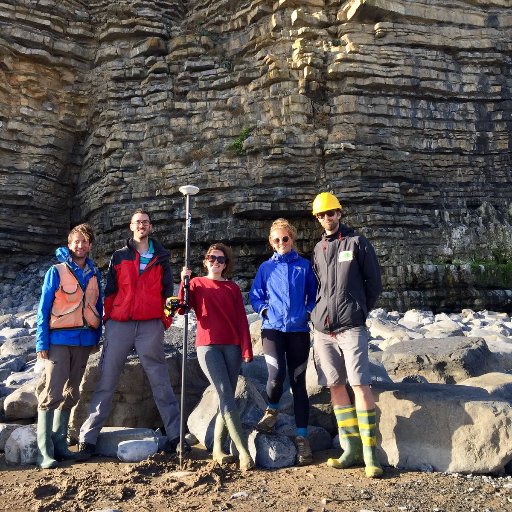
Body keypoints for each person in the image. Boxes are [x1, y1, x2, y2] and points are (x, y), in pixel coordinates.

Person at [77, 209, 184, 460]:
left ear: (151, 227)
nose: (141, 226)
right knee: (106, 381)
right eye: (138, 222)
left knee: (160, 381)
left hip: (150, 325)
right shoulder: (120, 256)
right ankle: (87, 438)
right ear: (131, 226)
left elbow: (167, 293)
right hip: (120, 325)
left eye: (145, 222)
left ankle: (176, 436)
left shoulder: (161, 256)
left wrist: (164, 320)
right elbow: (111, 291)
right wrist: (109, 320)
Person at [310, 192, 384, 478]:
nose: (327, 218)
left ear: (339, 214)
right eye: (321, 215)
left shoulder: (357, 243)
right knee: (335, 386)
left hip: (351, 325)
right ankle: (350, 449)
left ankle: (370, 453)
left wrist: (359, 311)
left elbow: (374, 283)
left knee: (360, 385)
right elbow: (319, 286)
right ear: (317, 219)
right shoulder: (318, 248)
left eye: (331, 213)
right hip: (323, 329)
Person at [180, 243, 254, 471]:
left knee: (227, 396)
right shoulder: (196, 284)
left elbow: (242, 319)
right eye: (212, 258)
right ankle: (243, 452)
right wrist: (183, 282)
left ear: (226, 264)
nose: (216, 262)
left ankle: (217, 449)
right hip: (207, 346)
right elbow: (182, 308)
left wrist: (246, 348)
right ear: (205, 261)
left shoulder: (232, 288)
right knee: (225, 394)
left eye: (221, 260)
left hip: (231, 346)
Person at [249, 218, 317, 466]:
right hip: (272, 330)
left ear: (292, 239)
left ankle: (302, 438)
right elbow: (256, 295)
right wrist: (265, 311)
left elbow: (315, 294)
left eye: (285, 239)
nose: (281, 243)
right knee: (276, 376)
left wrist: (308, 312)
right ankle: (272, 409)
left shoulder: (305, 266)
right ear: (271, 242)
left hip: (299, 330)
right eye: (276, 240)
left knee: (299, 383)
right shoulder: (265, 268)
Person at [35, 223, 103, 469]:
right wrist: (41, 341)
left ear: (90, 245)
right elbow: (43, 308)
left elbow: (98, 306)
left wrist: (96, 337)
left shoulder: (94, 273)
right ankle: (44, 451)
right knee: (52, 394)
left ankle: (60, 445)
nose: (80, 246)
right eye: (76, 241)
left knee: (72, 394)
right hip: (59, 341)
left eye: (85, 242)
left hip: (84, 341)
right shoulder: (56, 271)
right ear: (69, 244)